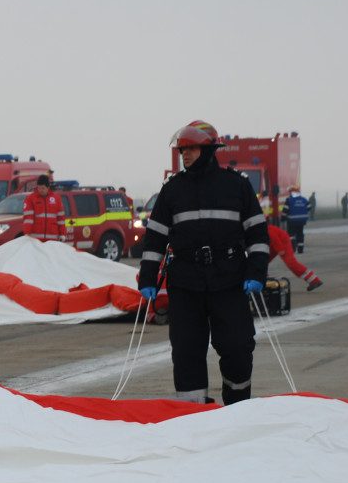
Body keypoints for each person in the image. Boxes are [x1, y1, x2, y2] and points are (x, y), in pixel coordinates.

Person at [138, 120, 269, 405]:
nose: (184, 154)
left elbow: (257, 233)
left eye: (192, 148)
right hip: (185, 282)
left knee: (237, 347)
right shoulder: (172, 190)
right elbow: (155, 238)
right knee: (186, 351)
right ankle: (192, 414)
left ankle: (237, 406)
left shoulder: (236, 186)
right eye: (182, 149)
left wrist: (256, 272)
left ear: (209, 149)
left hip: (230, 280)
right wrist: (147, 278)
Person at [268, 224, 322, 291]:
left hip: (282, 240)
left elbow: (273, 237)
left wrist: (280, 249)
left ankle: (314, 280)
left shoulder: (263, 229)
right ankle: (261, 279)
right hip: (272, 242)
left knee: (291, 262)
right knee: (261, 260)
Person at [22, 175, 66, 241]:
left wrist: (62, 234)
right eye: (39, 188)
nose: (40, 190)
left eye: (43, 188)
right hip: (36, 239)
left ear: (48, 187)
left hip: (52, 239)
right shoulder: (30, 199)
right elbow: (28, 218)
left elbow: (60, 219)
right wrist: (27, 233)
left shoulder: (56, 199)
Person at [281, 185, 310, 254]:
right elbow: (309, 207)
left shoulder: (289, 200)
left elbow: (285, 210)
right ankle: (300, 249)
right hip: (302, 221)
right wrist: (302, 210)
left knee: (291, 235)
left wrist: (283, 218)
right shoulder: (304, 199)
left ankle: (292, 249)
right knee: (300, 234)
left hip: (292, 221)